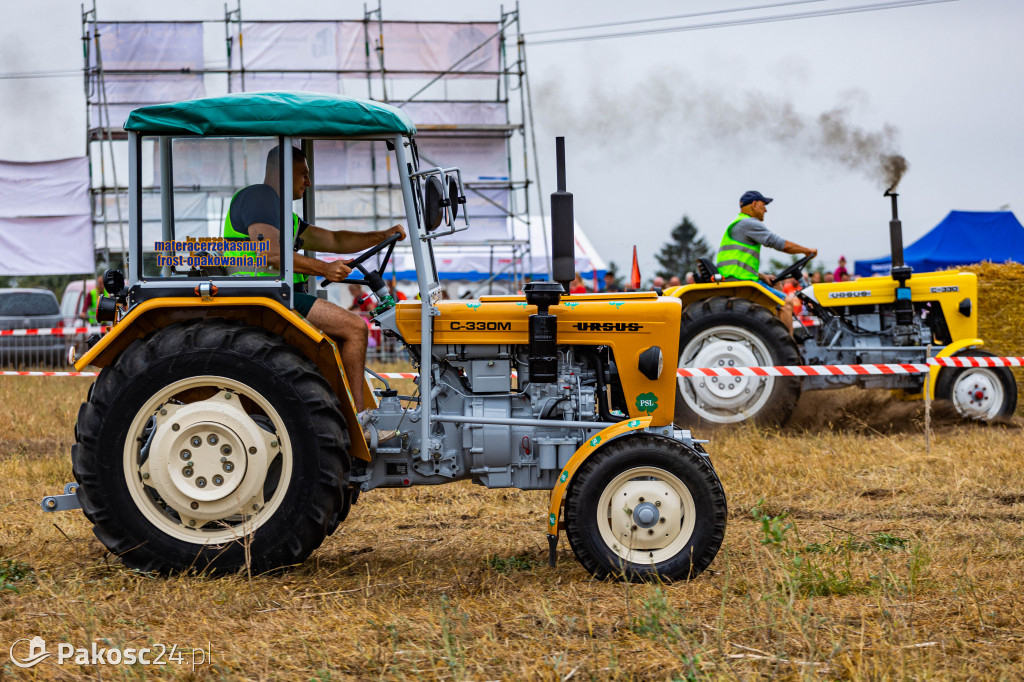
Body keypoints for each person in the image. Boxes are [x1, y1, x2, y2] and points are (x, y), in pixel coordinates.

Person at [223, 145, 405, 411]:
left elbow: (334, 239)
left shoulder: (283, 215)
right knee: (355, 328)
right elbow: (272, 254)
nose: (308, 182)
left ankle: (342, 407)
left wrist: (382, 235)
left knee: (344, 331)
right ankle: (360, 417)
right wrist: (325, 268)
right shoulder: (260, 197)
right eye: (302, 174)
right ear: (283, 172)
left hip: (281, 294)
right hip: (267, 295)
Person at [716, 190, 816, 332]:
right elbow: (781, 244)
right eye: (764, 205)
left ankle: (774, 332)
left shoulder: (739, 223)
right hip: (739, 282)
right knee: (786, 303)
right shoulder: (748, 223)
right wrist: (807, 251)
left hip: (737, 277)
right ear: (754, 204)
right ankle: (788, 350)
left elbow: (739, 263)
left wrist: (761, 275)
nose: (766, 210)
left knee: (776, 285)